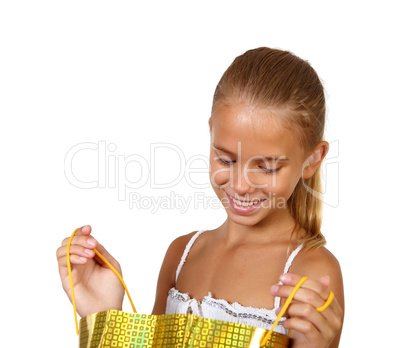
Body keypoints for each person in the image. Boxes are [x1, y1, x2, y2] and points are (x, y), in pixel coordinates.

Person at [57, 47, 344, 347]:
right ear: (211, 133)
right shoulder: (182, 254)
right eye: (226, 160)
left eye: (268, 167)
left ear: (312, 159)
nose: (241, 185)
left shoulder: (312, 273)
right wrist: (103, 314)